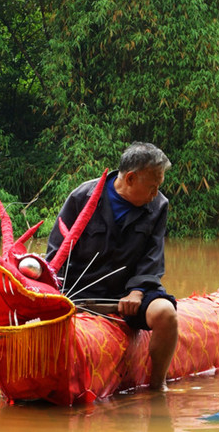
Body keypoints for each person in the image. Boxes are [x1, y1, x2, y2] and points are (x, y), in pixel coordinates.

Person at [46, 142, 178, 391]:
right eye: (152, 186)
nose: (156, 193)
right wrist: (55, 296)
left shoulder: (158, 205)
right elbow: (57, 253)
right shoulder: (82, 197)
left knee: (166, 313)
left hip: (130, 294)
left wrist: (137, 291)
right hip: (79, 293)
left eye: (158, 187)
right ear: (130, 178)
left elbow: (153, 256)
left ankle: (157, 387)